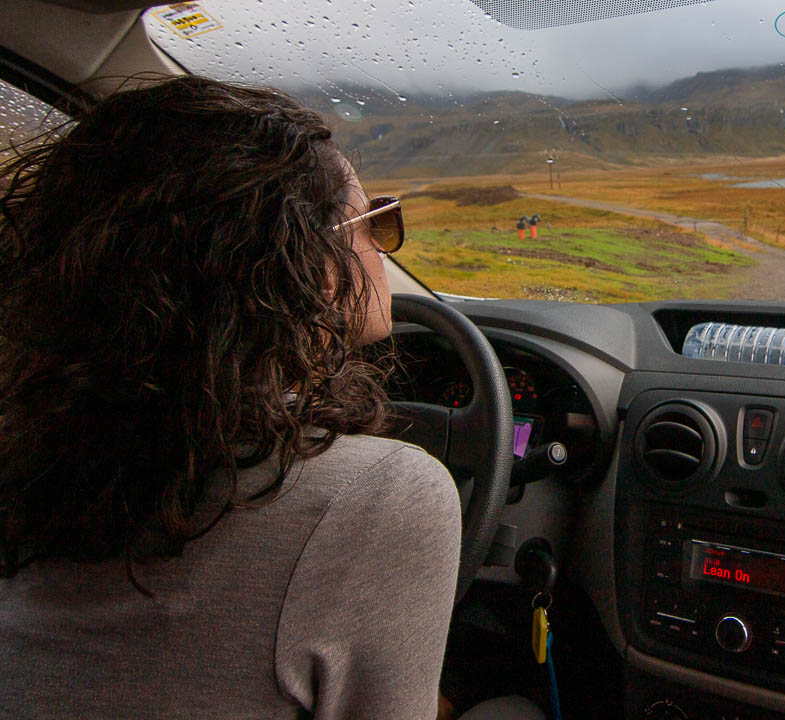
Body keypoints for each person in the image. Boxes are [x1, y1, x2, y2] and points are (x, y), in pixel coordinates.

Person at [0, 76, 539, 719]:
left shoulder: (41, 444)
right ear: (305, 262)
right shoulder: (385, 491)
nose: (385, 252)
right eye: (378, 224)